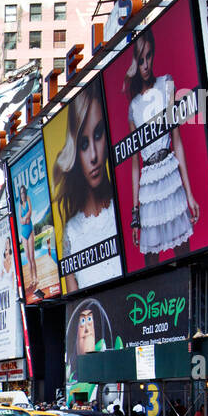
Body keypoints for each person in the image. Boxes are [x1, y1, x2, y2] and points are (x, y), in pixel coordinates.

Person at [123, 28, 201, 266]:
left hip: (170, 172)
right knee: (151, 262)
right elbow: (135, 162)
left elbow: (176, 139)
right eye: (140, 59)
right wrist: (135, 214)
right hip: (148, 182)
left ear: (153, 55)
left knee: (184, 254)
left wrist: (189, 194)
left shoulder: (166, 84)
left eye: (148, 57)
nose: (145, 65)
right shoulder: (133, 106)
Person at [52, 85, 119, 293]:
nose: (93, 156)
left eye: (98, 134)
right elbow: (75, 304)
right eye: (83, 144)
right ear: (75, 152)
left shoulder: (124, 210)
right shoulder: (71, 231)